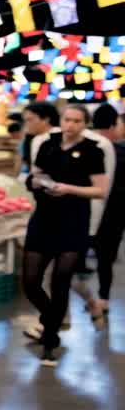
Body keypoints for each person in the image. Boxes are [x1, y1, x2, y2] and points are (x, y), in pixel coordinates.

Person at [23, 105, 107, 365]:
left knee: (60, 282)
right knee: (30, 281)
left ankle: (50, 341)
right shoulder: (47, 144)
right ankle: (51, 320)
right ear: (60, 121)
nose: (70, 125)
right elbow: (35, 175)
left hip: (73, 222)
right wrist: (36, 182)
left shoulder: (94, 151)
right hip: (44, 218)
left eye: (77, 121)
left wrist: (68, 188)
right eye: (67, 120)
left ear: (85, 124)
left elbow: (100, 190)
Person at [92, 105, 124, 309]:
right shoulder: (120, 151)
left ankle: (100, 300)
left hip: (91, 211)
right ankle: (102, 298)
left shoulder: (86, 148)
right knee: (106, 258)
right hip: (116, 213)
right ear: (114, 125)